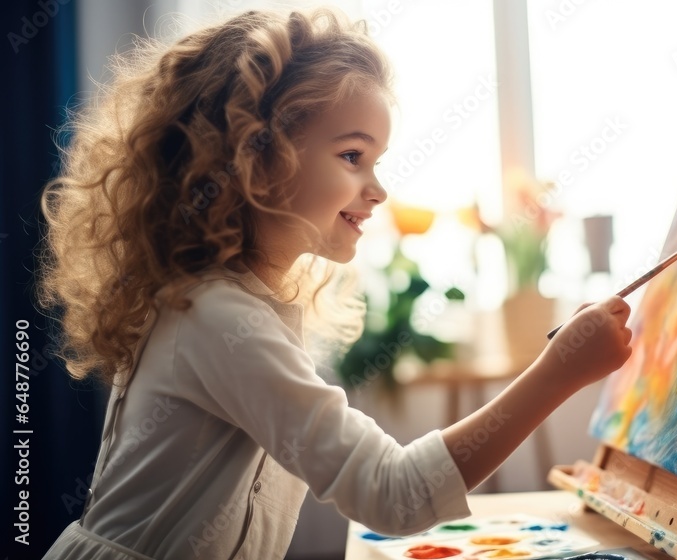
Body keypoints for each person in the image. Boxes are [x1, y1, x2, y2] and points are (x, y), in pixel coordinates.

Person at [38, 7, 632, 559]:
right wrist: (561, 371)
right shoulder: (216, 318)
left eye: (376, 161)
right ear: (254, 157)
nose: (378, 190)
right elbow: (394, 493)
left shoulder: (233, 306)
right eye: (352, 156)